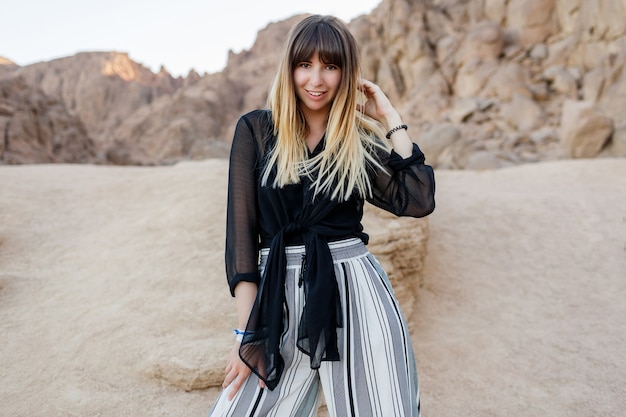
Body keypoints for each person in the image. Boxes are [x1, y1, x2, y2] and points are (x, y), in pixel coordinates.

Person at [208, 14, 435, 417]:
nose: (317, 79)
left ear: (346, 75)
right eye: (305, 65)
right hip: (277, 297)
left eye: (331, 66)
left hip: (356, 293)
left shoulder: (356, 141)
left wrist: (389, 117)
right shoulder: (257, 131)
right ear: (289, 68)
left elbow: (417, 199)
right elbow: (242, 243)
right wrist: (248, 336)